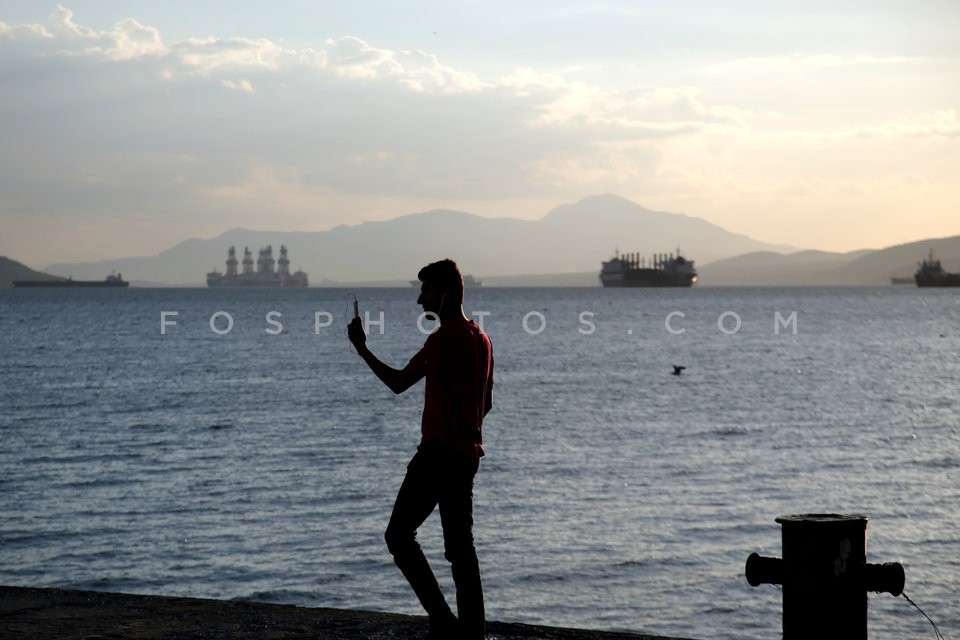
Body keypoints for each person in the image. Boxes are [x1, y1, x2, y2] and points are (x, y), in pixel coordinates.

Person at [347, 258, 494, 640]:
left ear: (443, 294)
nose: (419, 301)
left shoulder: (442, 340)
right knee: (462, 551)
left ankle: (444, 621)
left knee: (398, 536)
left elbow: (397, 383)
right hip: (466, 457)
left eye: (424, 292)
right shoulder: (482, 339)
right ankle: (472, 633)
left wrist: (362, 349)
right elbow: (486, 403)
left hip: (437, 457)